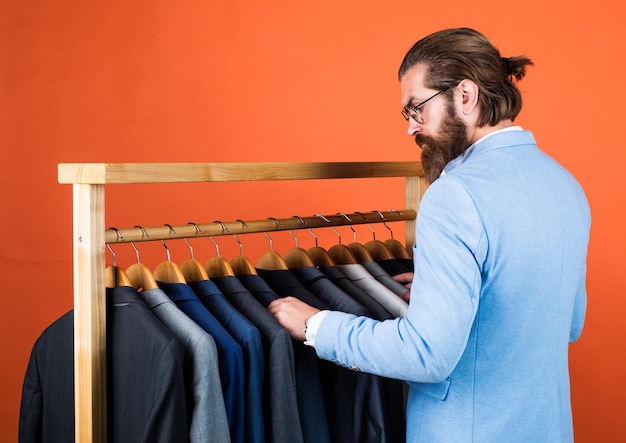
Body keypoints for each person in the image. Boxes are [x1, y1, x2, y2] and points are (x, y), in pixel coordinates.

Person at [269, 27, 590, 442]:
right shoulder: (564, 184)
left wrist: (319, 327)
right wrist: (453, 290)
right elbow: (567, 323)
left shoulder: (454, 194)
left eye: (416, 108)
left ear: (465, 96)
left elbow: (427, 355)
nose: (411, 128)